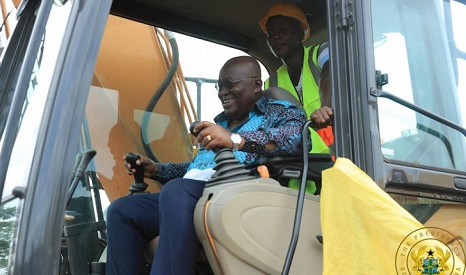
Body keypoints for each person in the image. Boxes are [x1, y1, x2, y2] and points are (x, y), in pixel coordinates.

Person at [106, 56, 307, 275]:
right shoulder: (219, 123)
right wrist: (157, 170)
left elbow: (297, 138)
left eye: (230, 85)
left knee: (176, 191)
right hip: (192, 194)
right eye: (219, 87)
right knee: (122, 210)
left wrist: (235, 140)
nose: (223, 92)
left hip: (234, 196)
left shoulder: (278, 111)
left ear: (257, 85)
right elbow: (198, 170)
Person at [259, 3, 334, 154]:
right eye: (270, 34)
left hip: (339, 153)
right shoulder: (271, 83)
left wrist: (325, 107)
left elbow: (329, 74)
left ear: (300, 33)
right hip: (299, 161)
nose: (276, 37)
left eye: (283, 30)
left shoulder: (319, 53)